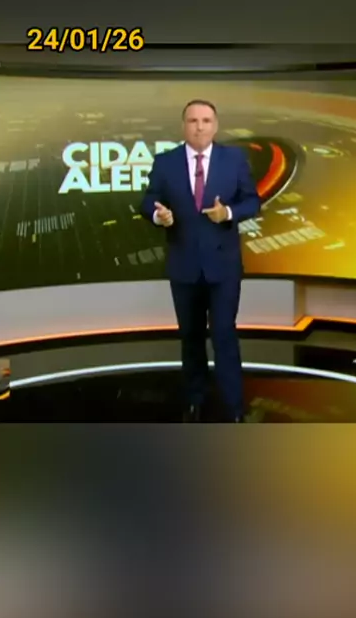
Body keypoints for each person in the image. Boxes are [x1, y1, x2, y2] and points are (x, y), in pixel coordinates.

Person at [141, 99, 261, 422]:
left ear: (215, 126)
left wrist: (228, 213)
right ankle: (194, 400)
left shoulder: (233, 159)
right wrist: (158, 215)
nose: (199, 127)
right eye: (193, 121)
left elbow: (252, 201)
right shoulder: (165, 162)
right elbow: (149, 199)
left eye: (206, 120)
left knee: (224, 335)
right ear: (184, 126)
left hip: (223, 267)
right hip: (184, 265)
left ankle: (234, 407)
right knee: (191, 337)